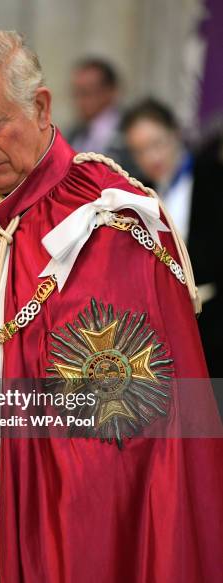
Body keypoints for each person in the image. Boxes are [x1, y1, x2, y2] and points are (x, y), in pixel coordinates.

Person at [0, 31, 223, 583]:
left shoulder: (114, 223)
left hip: (65, 541)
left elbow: (163, 416)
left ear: (39, 107)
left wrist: (3, 411)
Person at [121, 98, 223, 377]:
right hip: (163, 331)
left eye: (157, 144)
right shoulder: (141, 194)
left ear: (176, 133)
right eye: (139, 151)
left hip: (213, 325)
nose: (151, 157)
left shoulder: (214, 177)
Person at [67, 57, 134, 171]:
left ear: (111, 91)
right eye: (76, 93)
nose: (80, 101)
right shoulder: (74, 134)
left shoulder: (130, 129)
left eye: (87, 93)